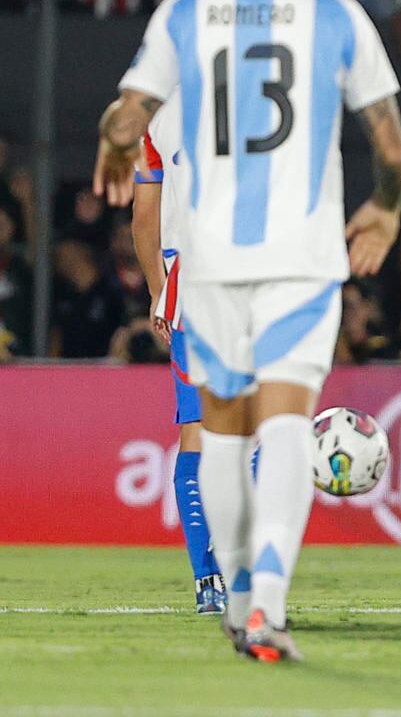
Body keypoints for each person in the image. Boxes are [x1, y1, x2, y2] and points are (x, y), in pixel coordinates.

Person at [92, 0, 401, 663]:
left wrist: (111, 142)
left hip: (204, 261)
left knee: (224, 439)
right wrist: (385, 209)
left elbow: (129, 117)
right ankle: (265, 607)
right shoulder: (337, 14)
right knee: (284, 429)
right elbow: (394, 148)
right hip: (302, 259)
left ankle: (234, 596)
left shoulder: (183, 11)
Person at [131, 96, 223, 615]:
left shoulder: (158, 118)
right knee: (253, 431)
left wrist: (158, 291)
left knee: (197, 436)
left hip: (186, 288)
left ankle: (207, 581)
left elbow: (144, 221)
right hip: (250, 279)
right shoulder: (258, 91)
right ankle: (248, 572)